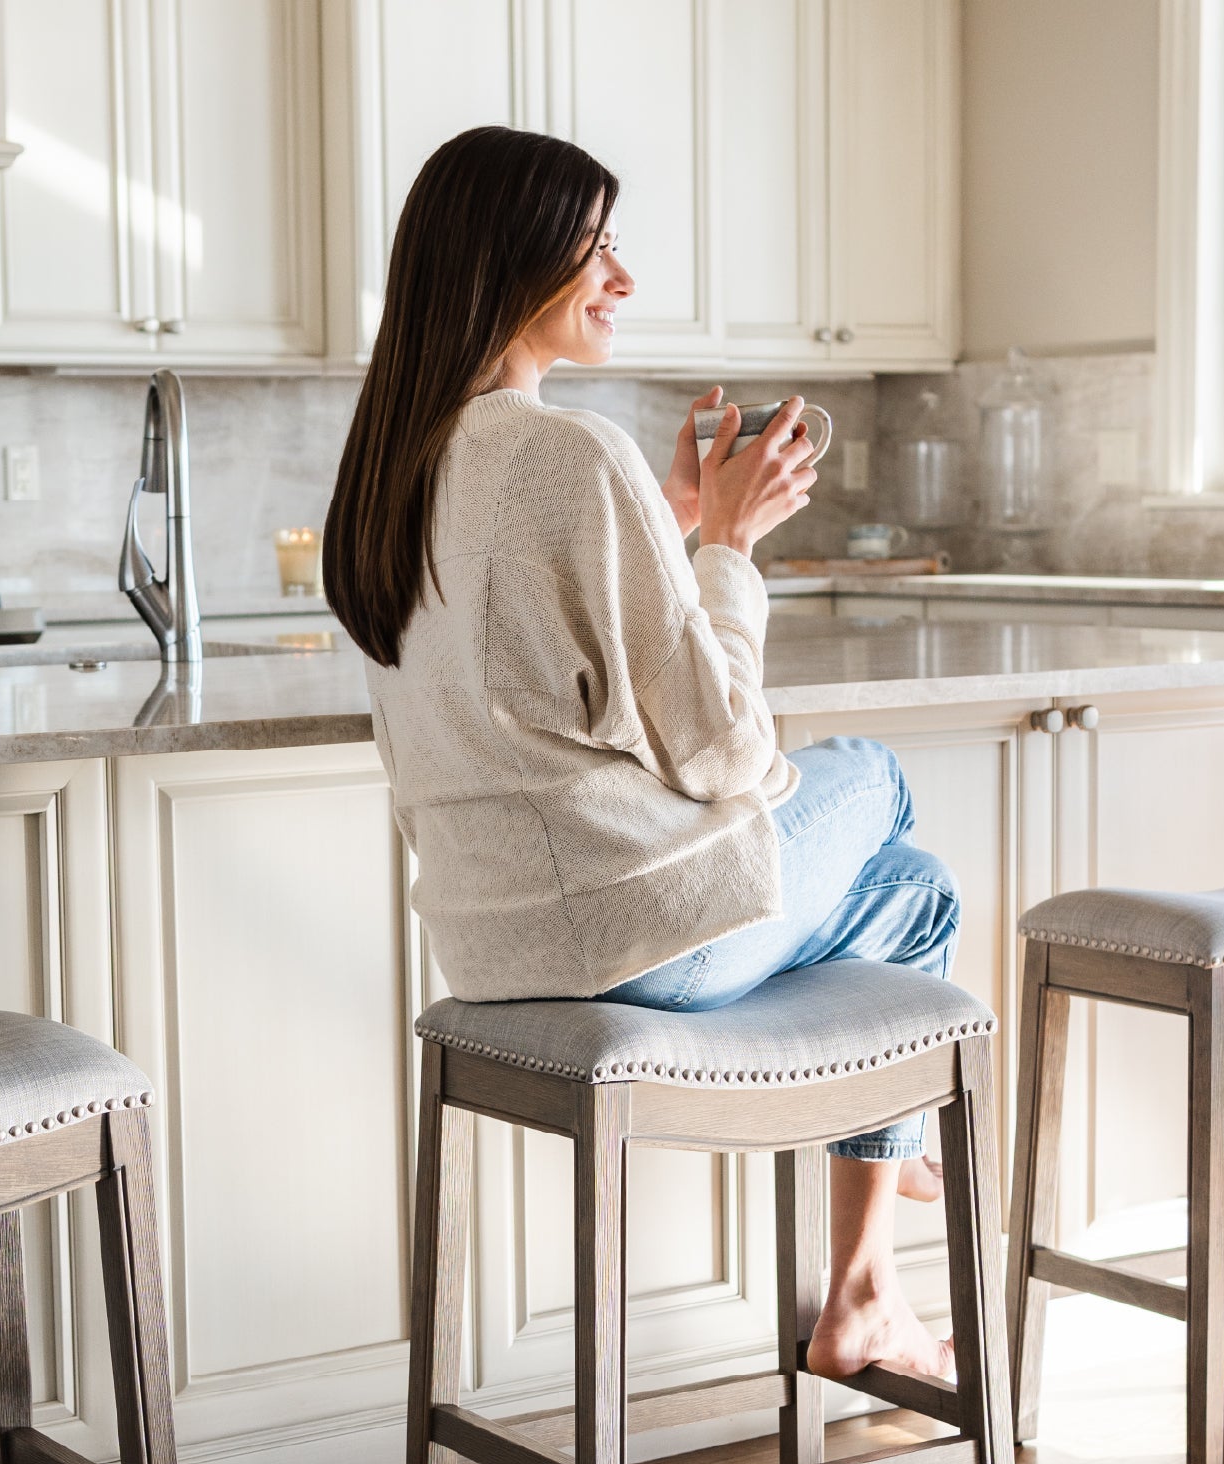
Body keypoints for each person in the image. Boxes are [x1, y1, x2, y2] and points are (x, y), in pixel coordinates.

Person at [324, 126, 961, 1385]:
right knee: (879, 782)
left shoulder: (396, 474)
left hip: (499, 952)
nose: (622, 276)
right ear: (509, 259)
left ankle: (872, 1262)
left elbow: (549, 659)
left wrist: (664, 520)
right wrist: (726, 543)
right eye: (595, 247)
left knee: (911, 889)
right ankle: (882, 1179)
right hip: (646, 942)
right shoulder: (569, 452)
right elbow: (725, 753)